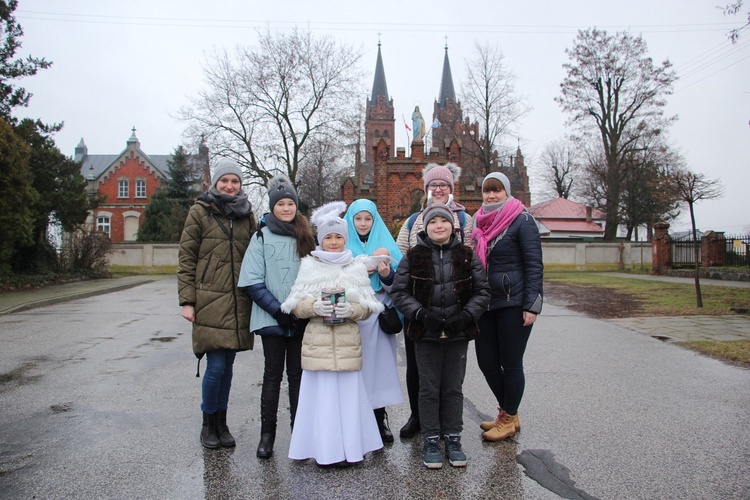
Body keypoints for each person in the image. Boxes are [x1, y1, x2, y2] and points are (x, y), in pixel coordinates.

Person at [281, 201, 384, 466]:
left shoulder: (356, 267)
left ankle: (352, 449)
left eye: (339, 237)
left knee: (349, 401)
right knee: (323, 400)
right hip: (320, 345)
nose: (334, 242)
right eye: (329, 237)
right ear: (321, 240)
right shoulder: (309, 266)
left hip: (348, 344)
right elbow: (296, 305)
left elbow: (367, 306)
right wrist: (314, 306)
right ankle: (324, 450)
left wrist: (351, 310)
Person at [391, 200, 490, 469]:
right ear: (425, 226)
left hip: (458, 332)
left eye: (443, 221)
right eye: (433, 221)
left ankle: (453, 437)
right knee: (429, 388)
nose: (438, 225)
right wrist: (422, 314)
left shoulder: (467, 255)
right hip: (425, 333)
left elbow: (482, 292)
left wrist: (467, 316)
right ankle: (431, 438)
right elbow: (399, 293)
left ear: (452, 226)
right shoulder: (413, 256)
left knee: (452, 388)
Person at [178, 158, 255, 449]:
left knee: (229, 365)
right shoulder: (200, 212)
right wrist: (187, 300)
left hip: (238, 299)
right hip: (209, 298)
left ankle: (222, 423)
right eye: (225, 180)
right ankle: (208, 423)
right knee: (216, 365)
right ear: (216, 183)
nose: (229, 185)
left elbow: (258, 254)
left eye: (234, 181)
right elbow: (186, 257)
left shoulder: (247, 214)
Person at [238, 174, 316, 458]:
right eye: (280, 204)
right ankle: (267, 435)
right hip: (273, 319)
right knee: (272, 376)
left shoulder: (306, 236)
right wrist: (278, 310)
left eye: (290, 203)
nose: (285, 208)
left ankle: (300, 434)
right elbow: (251, 281)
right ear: (272, 207)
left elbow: (315, 276)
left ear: (296, 206)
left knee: (298, 377)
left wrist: (300, 310)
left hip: (300, 319)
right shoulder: (260, 236)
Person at [394, 162, 473, 438]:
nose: (438, 189)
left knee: (450, 374)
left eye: (443, 185)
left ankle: (445, 423)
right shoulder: (413, 220)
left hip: (454, 308)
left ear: (451, 188)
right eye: (433, 185)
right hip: (420, 310)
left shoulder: (464, 220)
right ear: (426, 189)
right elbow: (401, 254)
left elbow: (472, 259)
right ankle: (419, 416)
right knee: (417, 369)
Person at [471, 172, 543, 441]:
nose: (491, 196)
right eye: (487, 191)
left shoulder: (522, 220)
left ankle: (508, 415)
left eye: (497, 191)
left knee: (511, 363)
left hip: (513, 303)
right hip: (485, 304)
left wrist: (532, 305)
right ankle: (509, 414)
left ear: (507, 192)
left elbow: (534, 264)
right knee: (487, 362)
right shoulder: (479, 221)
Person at [343, 199, 405, 443]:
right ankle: (355, 420)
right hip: (355, 314)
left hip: (380, 315)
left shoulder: (384, 243)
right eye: (358, 219)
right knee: (355, 369)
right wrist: (359, 272)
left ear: (375, 220)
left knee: (379, 370)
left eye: (368, 219)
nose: (363, 223)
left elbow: (400, 283)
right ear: (350, 220)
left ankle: (380, 419)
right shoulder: (343, 243)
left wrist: (386, 273)